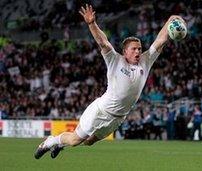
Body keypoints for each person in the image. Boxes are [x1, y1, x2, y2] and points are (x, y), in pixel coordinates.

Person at [34, 4, 186, 159]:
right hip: (101, 111)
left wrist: (174, 19)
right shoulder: (115, 60)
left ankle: (59, 144)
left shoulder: (145, 62)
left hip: (118, 118)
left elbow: (160, 40)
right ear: (125, 51)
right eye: (134, 49)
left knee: (89, 142)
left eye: (139, 49)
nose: (138, 51)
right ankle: (50, 142)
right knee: (75, 140)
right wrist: (92, 24)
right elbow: (103, 42)